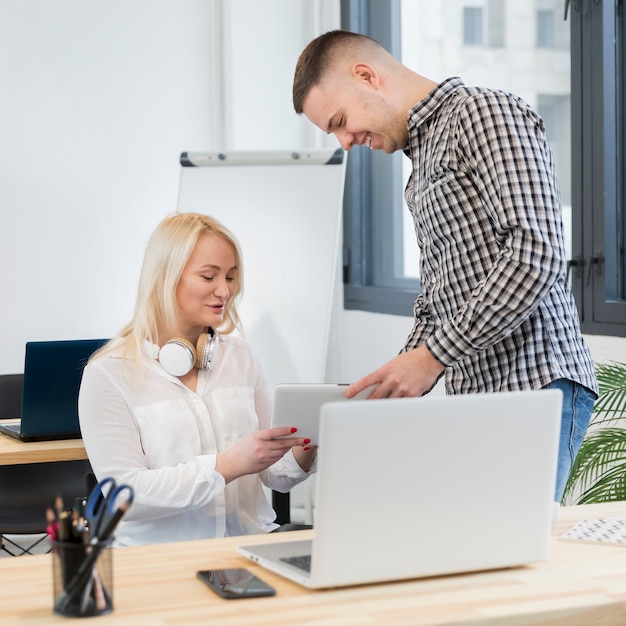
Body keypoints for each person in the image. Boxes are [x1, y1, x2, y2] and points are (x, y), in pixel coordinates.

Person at [292, 29, 597, 502]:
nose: (346, 141)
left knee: (508, 557)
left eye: (340, 120)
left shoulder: (483, 114)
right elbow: (440, 300)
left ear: (366, 76)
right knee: (476, 558)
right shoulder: (424, 161)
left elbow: (536, 252)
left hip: (535, 384)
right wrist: (394, 379)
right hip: (478, 394)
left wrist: (431, 358)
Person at [78, 212, 316, 546]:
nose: (225, 291)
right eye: (208, 276)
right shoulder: (109, 373)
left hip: (249, 551)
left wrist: (312, 441)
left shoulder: (241, 356)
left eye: (231, 277)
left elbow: (276, 475)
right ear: (165, 277)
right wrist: (226, 465)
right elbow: (123, 496)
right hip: (162, 563)